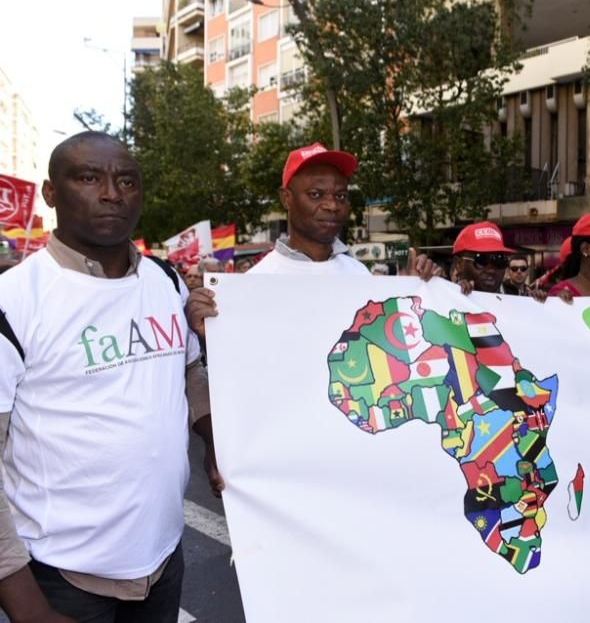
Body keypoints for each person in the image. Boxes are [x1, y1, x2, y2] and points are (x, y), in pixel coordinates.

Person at [0, 131, 219, 622]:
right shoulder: (13, 300)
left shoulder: (164, 282)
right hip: (62, 579)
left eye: (126, 181)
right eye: (88, 178)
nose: (112, 194)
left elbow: (189, 375)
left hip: (163, 562)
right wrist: (26, 606)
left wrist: (214, 442)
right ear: (51, 193)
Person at [186, 143, 437, 339]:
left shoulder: (360, 275)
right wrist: (212, 335)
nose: (331, 205)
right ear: (286, 198)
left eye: (340, 195)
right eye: (315, 194)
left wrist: (420, 293)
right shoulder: (254, 284)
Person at [452, 221, 515, 294]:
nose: (491, 270)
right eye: (481, 260)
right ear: (459, 264)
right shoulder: (442, 300)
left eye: (499, 260)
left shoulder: (517, 300)